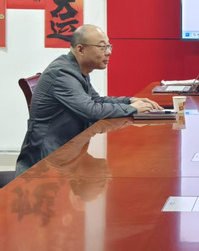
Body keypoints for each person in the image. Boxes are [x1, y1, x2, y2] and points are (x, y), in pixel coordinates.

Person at [15, 25, 160, 177]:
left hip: (67, 153)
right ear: (80, 49)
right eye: (102, 47)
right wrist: (133, 109)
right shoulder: (62, 73)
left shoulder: (77, 69)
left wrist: (130, 101)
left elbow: (96, 100)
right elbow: (91, 111)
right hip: (46, 165)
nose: (109, 52)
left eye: (109, 46)